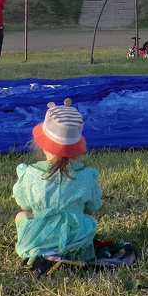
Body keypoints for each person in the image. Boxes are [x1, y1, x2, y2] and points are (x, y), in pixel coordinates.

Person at [13, 98, 102, 267]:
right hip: (78, 243)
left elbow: (23, 204)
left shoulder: (30, 174)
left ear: (42, 143)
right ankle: (70, 250)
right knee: (84, 218)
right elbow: (92, 207)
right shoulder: (86, 176)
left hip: (39, 240)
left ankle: (44, 252)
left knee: (21, 215)